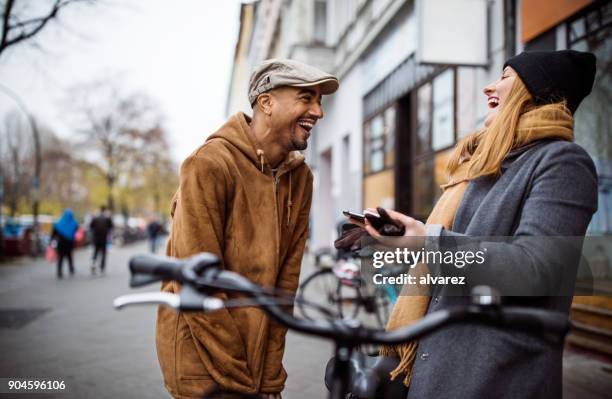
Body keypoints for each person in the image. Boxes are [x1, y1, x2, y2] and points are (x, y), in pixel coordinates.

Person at [343, 50, 598, 398]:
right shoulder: (483, 165)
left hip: (494, 377)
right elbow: (453, 266)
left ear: (538, 92)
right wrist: (388, 243)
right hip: (435, 368)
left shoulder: (562, 162)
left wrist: (427, 241)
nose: (490, 87)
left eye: (506, 77)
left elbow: (536, 269)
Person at [156, 59, 339, 398]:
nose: (318, 112)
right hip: (204, 364)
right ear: (266, 102)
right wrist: (240, 379)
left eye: (319, 101)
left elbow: (285, 285)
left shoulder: (300, 179)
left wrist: (269, 374)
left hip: (255, 368)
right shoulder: (209, 164)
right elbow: (197, 285)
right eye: (305, 98)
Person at [52, 209, 79, 279]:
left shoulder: (59, 223)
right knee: (69, 256)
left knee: (60, 257)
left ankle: (59, 271)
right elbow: (76, 230)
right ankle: (71, 269)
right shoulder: (74, 223)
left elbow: (54, 234)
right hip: (70, 243)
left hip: (61, 243)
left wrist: (52, 241)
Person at [89, 205, 113, 275]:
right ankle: (102, 267)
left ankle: (93, 264)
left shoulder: (95, 218)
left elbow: (91, 227)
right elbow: (111, 227)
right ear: (105, 210)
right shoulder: (107, 218)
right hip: (104, 238)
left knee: (95, 252)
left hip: (96, 238)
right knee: (103, 253)